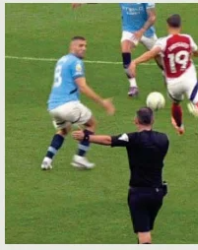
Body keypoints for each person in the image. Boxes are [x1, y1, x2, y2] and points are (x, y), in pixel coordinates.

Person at [72, 107, 169, 244]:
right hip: (157, 193)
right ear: (153, 120)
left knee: (144, 236)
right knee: (145, 229)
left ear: (136, 121)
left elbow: (108, 140)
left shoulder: (133, 139)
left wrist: (86, 137)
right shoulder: (163, 139)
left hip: (139, 194)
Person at [41, 36, 115, 170]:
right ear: (72, 47)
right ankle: (79, 158)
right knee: (91, 124)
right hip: (68, 105)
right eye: (80, 45)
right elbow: (83, 87)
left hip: (53, 106)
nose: (84, 48)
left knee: (64, 130)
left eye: (85, 46)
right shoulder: (76, 63)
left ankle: (47, 159)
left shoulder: (62, 60)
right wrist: (102, 102)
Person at [129, 14, 198, 135]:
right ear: (180, 26)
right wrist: (192, 54)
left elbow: (151, 54)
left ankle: (180, 126)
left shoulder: (163, 42)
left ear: (168, 26)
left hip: (172, 83)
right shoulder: (187, 39)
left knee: (176, 103)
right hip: (189, 78)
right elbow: (197, 53)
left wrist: (135, 62)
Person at [72, 3, 163, 97]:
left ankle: (165, 73)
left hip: (146, 32)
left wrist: (141, 31)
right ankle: (133, 86)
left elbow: (152, 17)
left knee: (158, 56)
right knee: (125, 50)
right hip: (129, 30)